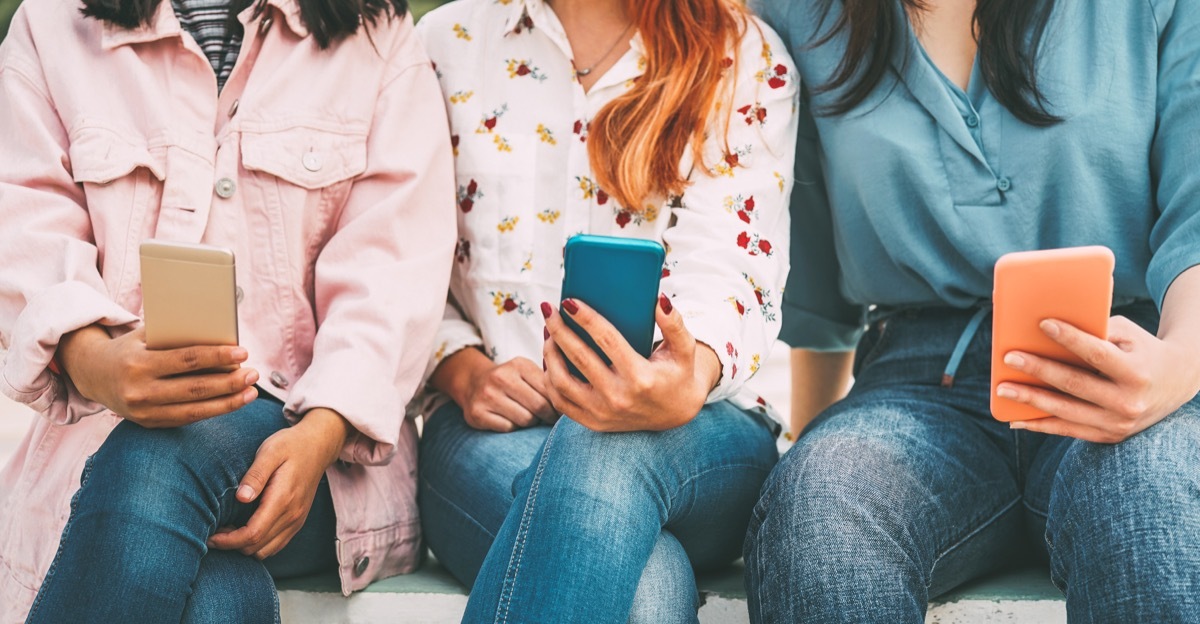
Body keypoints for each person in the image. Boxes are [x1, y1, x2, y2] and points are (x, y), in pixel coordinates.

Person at [747, 0, 1200, 622]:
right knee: (824, 500)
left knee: (1147, 495)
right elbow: (816, 283)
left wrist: (1177, 369)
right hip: (915, 383)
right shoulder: (795, 14)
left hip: (1124, 357)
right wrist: (811, 443)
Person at [0, 0, 455, 619]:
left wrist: (321, 433)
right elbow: (22, 221)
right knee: (218, 601)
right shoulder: (51, 22)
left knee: (160, 462)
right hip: (96, 459)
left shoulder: (377, 36)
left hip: (316, 458)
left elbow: (394, 269)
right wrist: (95, 358)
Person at [414, 0, 797, 620]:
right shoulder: (444, 43)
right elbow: (401, 259)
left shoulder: (742, 55)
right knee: (646, 588)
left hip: (700, 433)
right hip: (494, 431)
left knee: (600, 444)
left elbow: (733, 263)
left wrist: (684, 375)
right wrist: (462, 369)